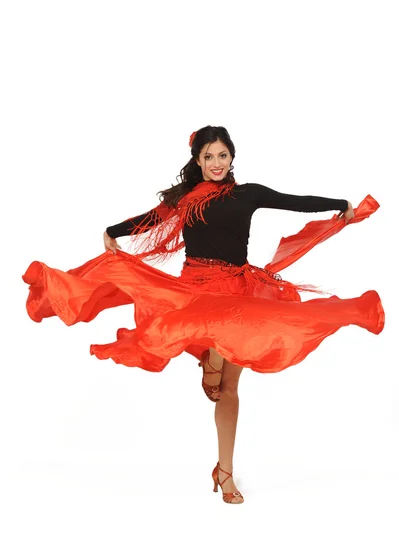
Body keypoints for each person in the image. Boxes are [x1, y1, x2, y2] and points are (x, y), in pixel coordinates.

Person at [23, 125, 385, 504]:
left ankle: (224, 471)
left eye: (222, 155)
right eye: (208, 156)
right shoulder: (185, 200)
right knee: (202, 349)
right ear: (197, 160)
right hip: (195, 291)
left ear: (232, 158)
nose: (216, 163)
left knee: (228, 390)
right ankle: (208, 361)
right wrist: (112, 231)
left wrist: (339, 204)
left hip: (238, 294)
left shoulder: (248, 194)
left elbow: (294, 201)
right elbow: (150, 219)